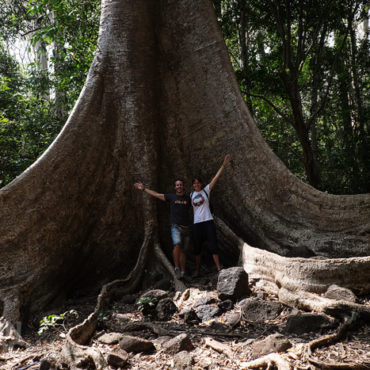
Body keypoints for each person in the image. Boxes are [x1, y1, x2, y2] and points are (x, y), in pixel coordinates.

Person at [133, 179, 191, 279]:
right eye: (177, 185)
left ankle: (183, 272)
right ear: (175, 187)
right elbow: (157, 194)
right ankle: (176, 268)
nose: (179, 186)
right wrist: (144, 189)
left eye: (181, 185)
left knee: (183, 250)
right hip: (175, 226)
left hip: (186, 227)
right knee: (177, 244)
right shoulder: (171, 197)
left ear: (183, 186)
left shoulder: (188, 198)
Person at [191, 154, 231, 277]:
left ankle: (219, 268)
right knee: (197, 248)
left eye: (198, 183)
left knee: (213, 245)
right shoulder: (190, 195)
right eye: (195, 183)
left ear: (201, 184)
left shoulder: (206, 190)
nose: (197, 184)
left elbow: (216, 178)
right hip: (197, 224)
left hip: (208, 221)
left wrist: (223, 165)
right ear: (193, 185)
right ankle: (197, 270)